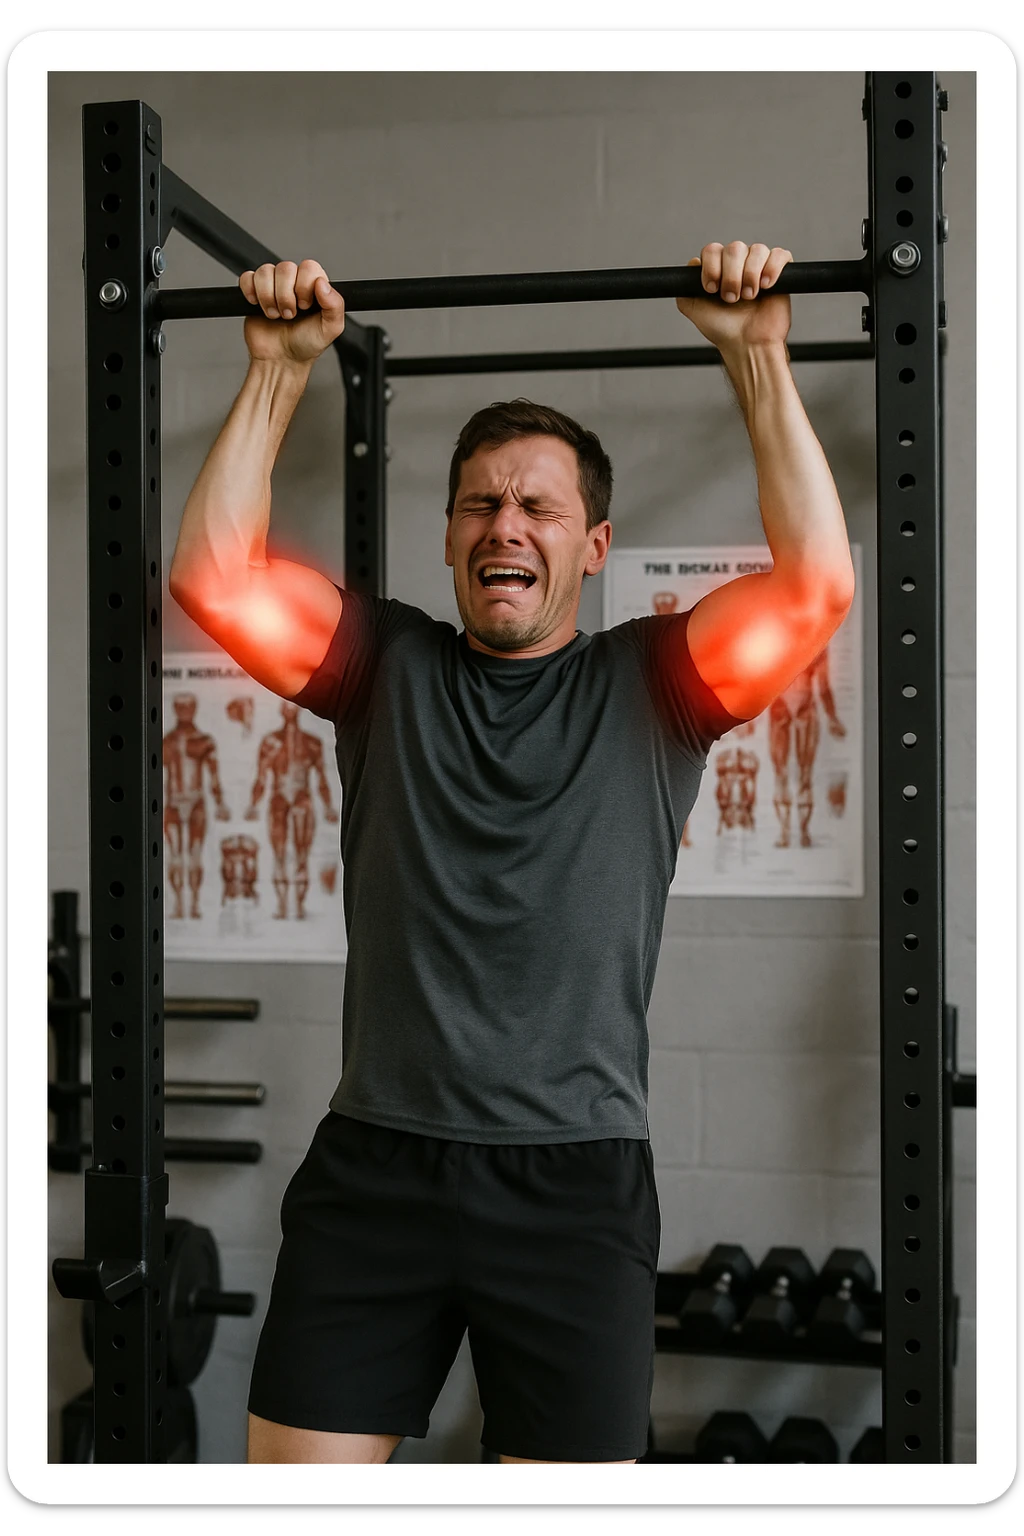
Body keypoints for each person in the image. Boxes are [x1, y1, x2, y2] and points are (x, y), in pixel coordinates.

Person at [169, 242, 856, 1465]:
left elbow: (812, 588)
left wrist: (755, 354)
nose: (507, 524)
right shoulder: (388, 668)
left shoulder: (657, 685)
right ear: (447, 541)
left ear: (592, 548)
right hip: (375, 1163)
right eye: (482, 502)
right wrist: (275, 372)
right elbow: (215, 577)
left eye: (539, 506)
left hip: (571, 1183)